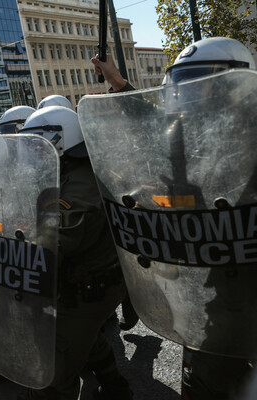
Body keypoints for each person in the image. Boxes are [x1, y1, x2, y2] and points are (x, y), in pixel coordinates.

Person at [92, 37, 256, 400]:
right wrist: (118, 84)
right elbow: (150, 125)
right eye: (183, 84)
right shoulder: (190, 136)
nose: (190, 94)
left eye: (202, 82)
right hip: (216, 291)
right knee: (203, 382)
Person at [17, 106, 132, 400]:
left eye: (38, 144)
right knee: (86, 338)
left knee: (50, 372)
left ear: (61, 141)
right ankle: (115, 388)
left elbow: (53, 239)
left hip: (91, 286)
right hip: (81, 277)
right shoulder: (65, 173)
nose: (33, 154)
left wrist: (13, 255)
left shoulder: (79, 186)